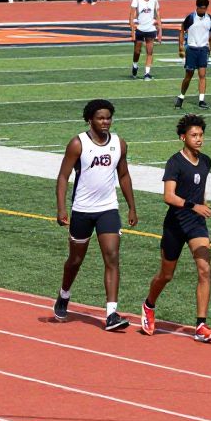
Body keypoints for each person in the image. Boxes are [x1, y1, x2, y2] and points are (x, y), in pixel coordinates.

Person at [53, 99, 138, 331]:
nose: (105, 122)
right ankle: (64, 294)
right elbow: (63, 176)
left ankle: (111, 314)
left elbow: (124, 175)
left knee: (112, 256)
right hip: (82, 210)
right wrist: (61, 208)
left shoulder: (119, 144)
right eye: (100, 118)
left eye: (108, 118)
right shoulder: (77, 144)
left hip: (108, 208)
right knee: (75, 260)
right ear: (89, 120)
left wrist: (131, 206)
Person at [141, 114, 211, 343]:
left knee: (204, 270)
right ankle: (149, 305)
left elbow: (198, 188)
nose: (199, 139)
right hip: (175, 225)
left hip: (197, 225)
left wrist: (202, 204)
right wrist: (194, 206)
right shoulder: (174, 162)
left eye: (201, 135)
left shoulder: (206, 162)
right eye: (194, 135)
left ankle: (200, 325)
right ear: (183, 137)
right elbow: (168, 196)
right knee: (166, 275)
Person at [174, 0, 211, 110]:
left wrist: (210, 48)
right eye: (201, 8)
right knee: (189, 75)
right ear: (197, 7)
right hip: (191, 49)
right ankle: (181, 96)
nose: (203, 10)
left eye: (205, 8)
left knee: (202, 75)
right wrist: (181, 47)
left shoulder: (209, 19)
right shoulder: (191, 17)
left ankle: (201, 100)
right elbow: (182, 30)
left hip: (203, 50)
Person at [129, 0, 162, 80]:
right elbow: (131, 17)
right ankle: (135, 65)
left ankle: (147, 73)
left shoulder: (154, 1)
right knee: (137, 51)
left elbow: (158, 16)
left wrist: (160, 31)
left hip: (151, 29)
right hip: (140, 29)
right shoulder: (136, 1)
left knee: (150, 52)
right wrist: (132, 32)